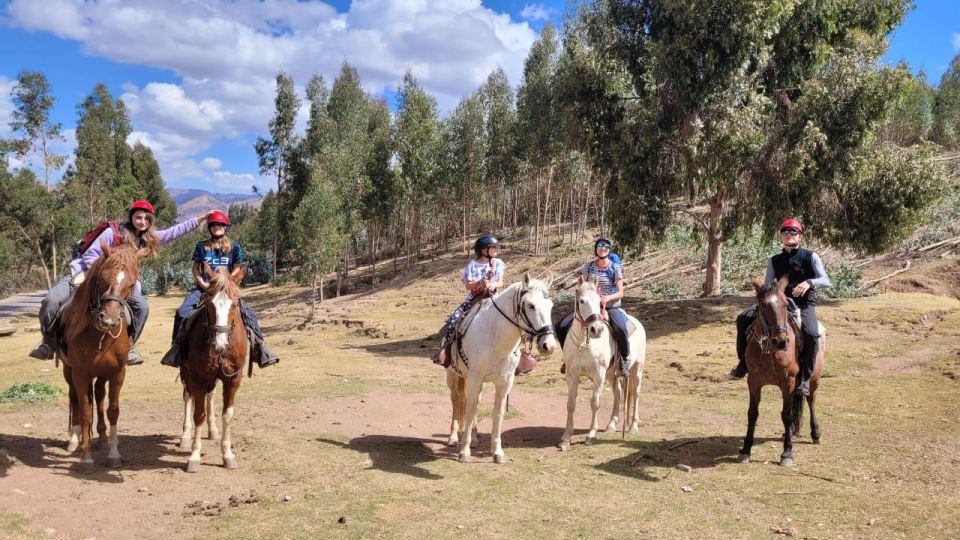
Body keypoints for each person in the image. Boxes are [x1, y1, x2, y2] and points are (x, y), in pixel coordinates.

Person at [29, 201, 215, 365]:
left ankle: (130, 345)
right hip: (88, 274)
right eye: (138, 217)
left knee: (142, 306)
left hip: (122, 282)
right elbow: (92, 254)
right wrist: (104, 273)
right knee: (52, 300)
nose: (142, 221)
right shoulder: (113, 232)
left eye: (146, 218)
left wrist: (199, 220)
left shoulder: (148, 238)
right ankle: (49, 341)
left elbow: (173, 232)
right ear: (131, 217)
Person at [160, 210, 279, 369]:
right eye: (214, 225)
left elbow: (237, 268)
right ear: (209, 228)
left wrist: (228, 282)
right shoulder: (201, 246)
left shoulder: (235, 247)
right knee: (182, 312)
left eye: (220, 225)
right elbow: (195, 269)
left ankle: (260, 348)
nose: (217, 227)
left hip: (226, 291)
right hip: (205, 289)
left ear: (225, 227)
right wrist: (203, 284)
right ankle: (176, 350)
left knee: (250, 314)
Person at [729, 218, 831, 396]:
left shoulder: (811, 256)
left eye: (793, 232)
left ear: (800, 236)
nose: (789, 235)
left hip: (803, 304)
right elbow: (769, 284)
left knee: (811, 332)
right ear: (781, 237)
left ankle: (805, 378)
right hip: (777, 305)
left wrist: (808, 283)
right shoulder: (774, 260)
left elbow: (825, 280)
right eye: (785, 232)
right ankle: (743, 364)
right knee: (743, 318)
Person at [431, 234, 506, 367]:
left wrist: (492, 285)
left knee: (513, 316)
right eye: (493, 247)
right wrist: (479, 283)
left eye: (497, 247)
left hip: (494, 296)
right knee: (455, 317)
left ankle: (520, 354)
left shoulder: (498, 263)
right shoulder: (472, 265)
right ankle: (446, 350)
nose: (496, 249)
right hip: (476, 297)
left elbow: (500, 282)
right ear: (483, 250)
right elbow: (468, 285)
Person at [562, 237, 633, 376]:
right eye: (600, 245)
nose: (603, 248)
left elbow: (621, 292)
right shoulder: (588, 266)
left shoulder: (615, 267)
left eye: (606, 246)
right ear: (596, 249)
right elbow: (582, 286)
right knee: (561, 326)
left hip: (610, 305)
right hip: (590, 306)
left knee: (620, 327)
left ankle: (624, 361)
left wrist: (607, 298)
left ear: (609, 249)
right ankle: (567, 359)